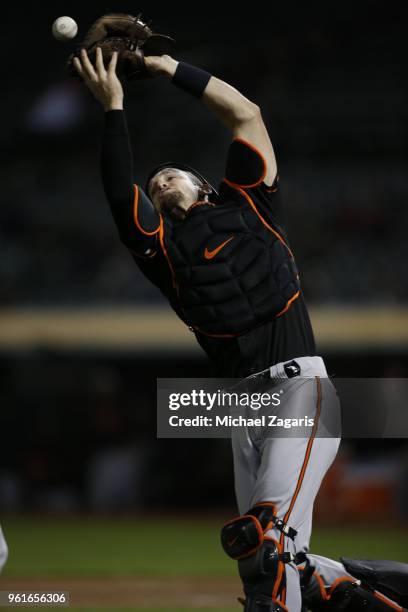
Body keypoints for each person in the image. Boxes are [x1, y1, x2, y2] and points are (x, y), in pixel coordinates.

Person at [72, 49, 401, 612]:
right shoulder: (164, 255)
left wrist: (163, 65)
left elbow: (245, 114)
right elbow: (115, 193)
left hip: (300, 386)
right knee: (264, 562)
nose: (159, 183)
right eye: (153, 186)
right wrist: (114, 107)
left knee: (264, 540)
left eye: (169, 174)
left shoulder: (253, 204)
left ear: (202, 184)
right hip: (239, 410)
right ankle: (371, 587)